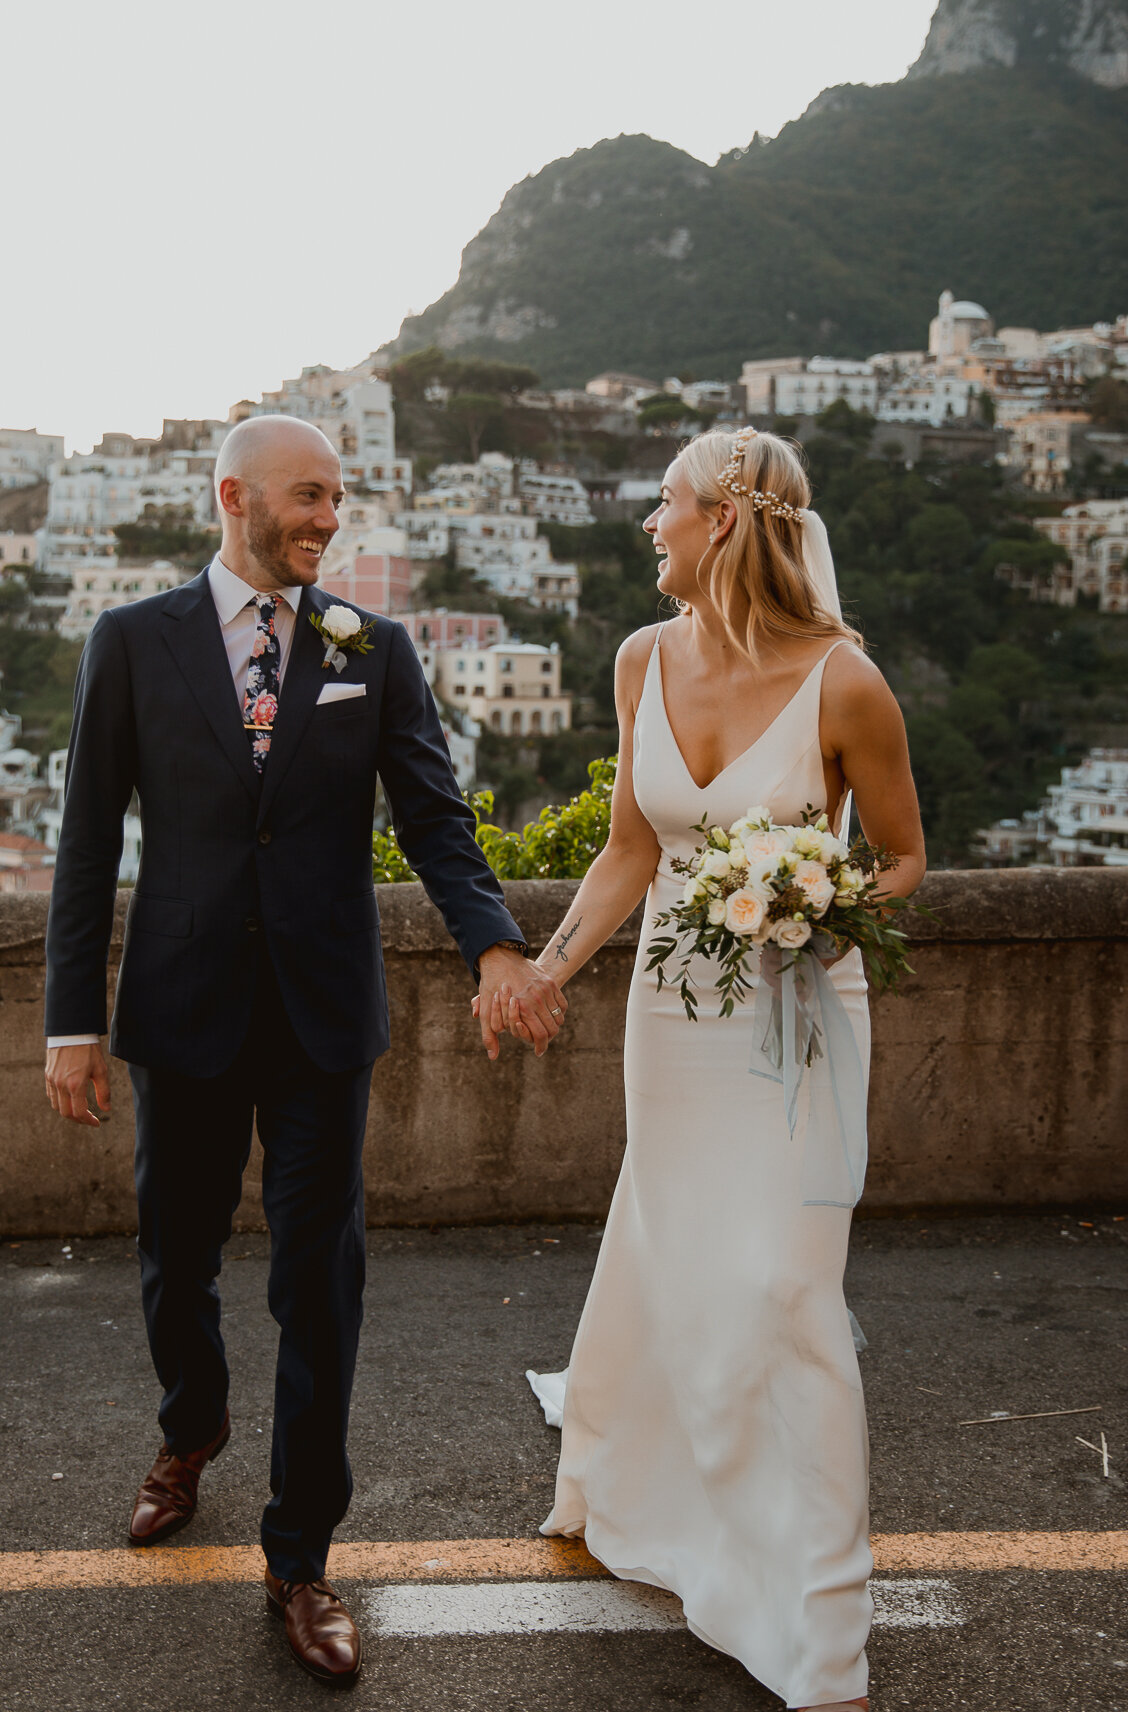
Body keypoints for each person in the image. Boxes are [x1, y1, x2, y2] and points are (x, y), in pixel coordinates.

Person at [43, 414, 565, 1687]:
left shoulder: (370, 650)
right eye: (308, 497)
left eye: (339, 499)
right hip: (182, 1007)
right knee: (174, 1254)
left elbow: (435, 816)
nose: (329, 519)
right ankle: (192, 1426)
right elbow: (82, 840)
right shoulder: (132, 642)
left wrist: (496, 946)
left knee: (320, 1288)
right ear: (234, 496)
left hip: (326, 1018)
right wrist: (72, 1022)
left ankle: (302, 1557)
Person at [526, 428, 926, 1711]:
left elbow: (908, 857)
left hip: (797, 1015)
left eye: (663, 503)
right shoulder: (643, 658)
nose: (649, 523)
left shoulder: (847, 682)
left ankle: (819, 1629)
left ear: (722, 524)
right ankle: (637, 1481)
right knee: (676, 1242)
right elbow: (630, 855)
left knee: (784, 1286)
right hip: (671, 1013)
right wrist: (546, 970)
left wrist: (816, 899)